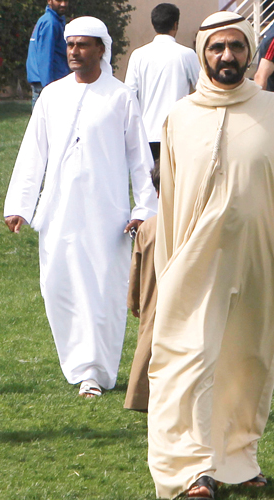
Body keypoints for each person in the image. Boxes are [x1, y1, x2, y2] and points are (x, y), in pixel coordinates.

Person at [146, 11, 274, 500]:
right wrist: (165, 270)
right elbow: (168, 202)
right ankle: (189, 470)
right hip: (194, 263)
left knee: (248, 362)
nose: (227, 57)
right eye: (217, 48)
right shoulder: (179, 116)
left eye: (236, 47)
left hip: (263, 258)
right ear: (203, 54)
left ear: (250, 51)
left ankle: (236, 462)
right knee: (187, 360)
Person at [4, 16, 157, 399]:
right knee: (57, 287)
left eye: (83, 45)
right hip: (58, 212)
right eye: (70, 45)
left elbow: (140, 160)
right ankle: (77, 366)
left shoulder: (120, 96)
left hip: (108, 216)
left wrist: (143, 209)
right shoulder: (53, 95)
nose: (74, 51)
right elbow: (33, 152)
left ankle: (95, 372)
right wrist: (20, 204)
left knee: (102, 291)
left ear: (101, 50)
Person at [124, 3, 200, 160]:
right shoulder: (187, 54)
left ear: (154, 24)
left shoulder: (138, 55)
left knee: (150, 182)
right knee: (175, 182)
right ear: (175, 24)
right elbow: (203, 89)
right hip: (178, 132)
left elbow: (129, 95)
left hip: (146, 134)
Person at [124, 160, 160, 412]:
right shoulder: (193, 223)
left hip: (151, 296)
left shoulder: (149, 227)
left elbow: (135, 266)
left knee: (148, 341)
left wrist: (134, 301)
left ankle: (139, 396)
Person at [26, 0, 70, 108]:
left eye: (66, 0)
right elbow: (45, 57)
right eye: (59, 0)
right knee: (46, 124)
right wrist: (48, 88)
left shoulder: (52, 20)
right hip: (48, 84)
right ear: (49, 0)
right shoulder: (50, 23)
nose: (63, 4)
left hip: (46, 82)